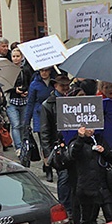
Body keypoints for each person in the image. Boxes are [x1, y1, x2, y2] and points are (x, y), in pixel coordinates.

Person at [71, 125, 112, 224]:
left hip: (102, 185)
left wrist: (104, 152)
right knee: (86, 218)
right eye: (89, 128)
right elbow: (73, 155)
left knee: (111, 215)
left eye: (93, 128)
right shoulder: (77, 142)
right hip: (86, 186)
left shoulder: (99, 139)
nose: (91, 131)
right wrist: (80, 138)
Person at [40, 73, 74, 209]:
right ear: (55, 86)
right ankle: (65, 207)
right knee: (64, 177)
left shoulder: (73, 99)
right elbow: (45, 131)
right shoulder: (47, 105)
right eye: (62, 86)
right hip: (59, 147)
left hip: (72, 144)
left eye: (67, 85)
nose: (66, 88)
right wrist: (47, 153)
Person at [6, 47, 33, 153]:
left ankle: (23, 145)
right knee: (16, 124)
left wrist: (27, 91)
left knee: (23, 124)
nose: (16, 58)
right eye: (14, 56)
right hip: (12, 101)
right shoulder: (8, 70)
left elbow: (30, 82)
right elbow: (5, 85)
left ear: (21, 57)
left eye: (18, 56)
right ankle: (18, 147)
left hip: (24, 100)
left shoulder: (26, 70)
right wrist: (14, 90)